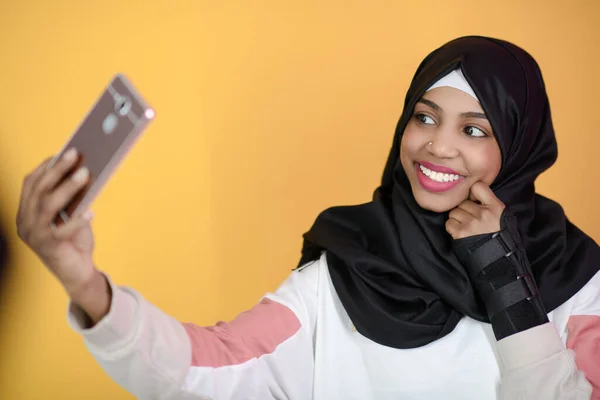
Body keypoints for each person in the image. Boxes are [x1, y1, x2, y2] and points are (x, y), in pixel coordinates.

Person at [16, 36, 600, 400]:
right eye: (424, 118)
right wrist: (83, 283)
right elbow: (209, 371)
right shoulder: (347, 268)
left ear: (520, 146)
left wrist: (502, 274)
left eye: (474, 129)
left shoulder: (577, 282)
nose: (436, 147)